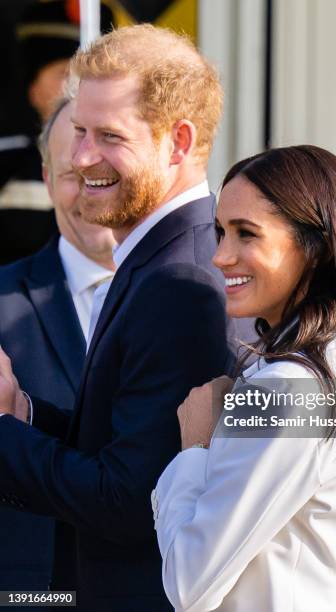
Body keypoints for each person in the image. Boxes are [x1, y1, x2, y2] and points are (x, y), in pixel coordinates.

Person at [0, 24, 238, 612]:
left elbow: (131, 500)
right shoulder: (163, 258)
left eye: (109, 135)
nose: (81, 159)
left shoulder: (178, 279)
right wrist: (23, 412)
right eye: (79, 130)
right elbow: (131, 443)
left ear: (178, 142)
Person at [153, 145, 336, 612]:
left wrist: (194, 449)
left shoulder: (286, 391)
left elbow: (190, 582)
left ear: (318, 249)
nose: (220, 257)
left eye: (246, 234)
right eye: (219, 233)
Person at [0, 98, 115, 592]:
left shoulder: (220, 297)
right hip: (31, 593)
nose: (91, 192)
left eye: (106, 173)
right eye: (72, 174)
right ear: (46, 180)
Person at [0, 0, 119, 264]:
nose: (77, 87)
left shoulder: (123, 157)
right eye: (64, 73)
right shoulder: (10, 162)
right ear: (33, 87)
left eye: (87, 76)